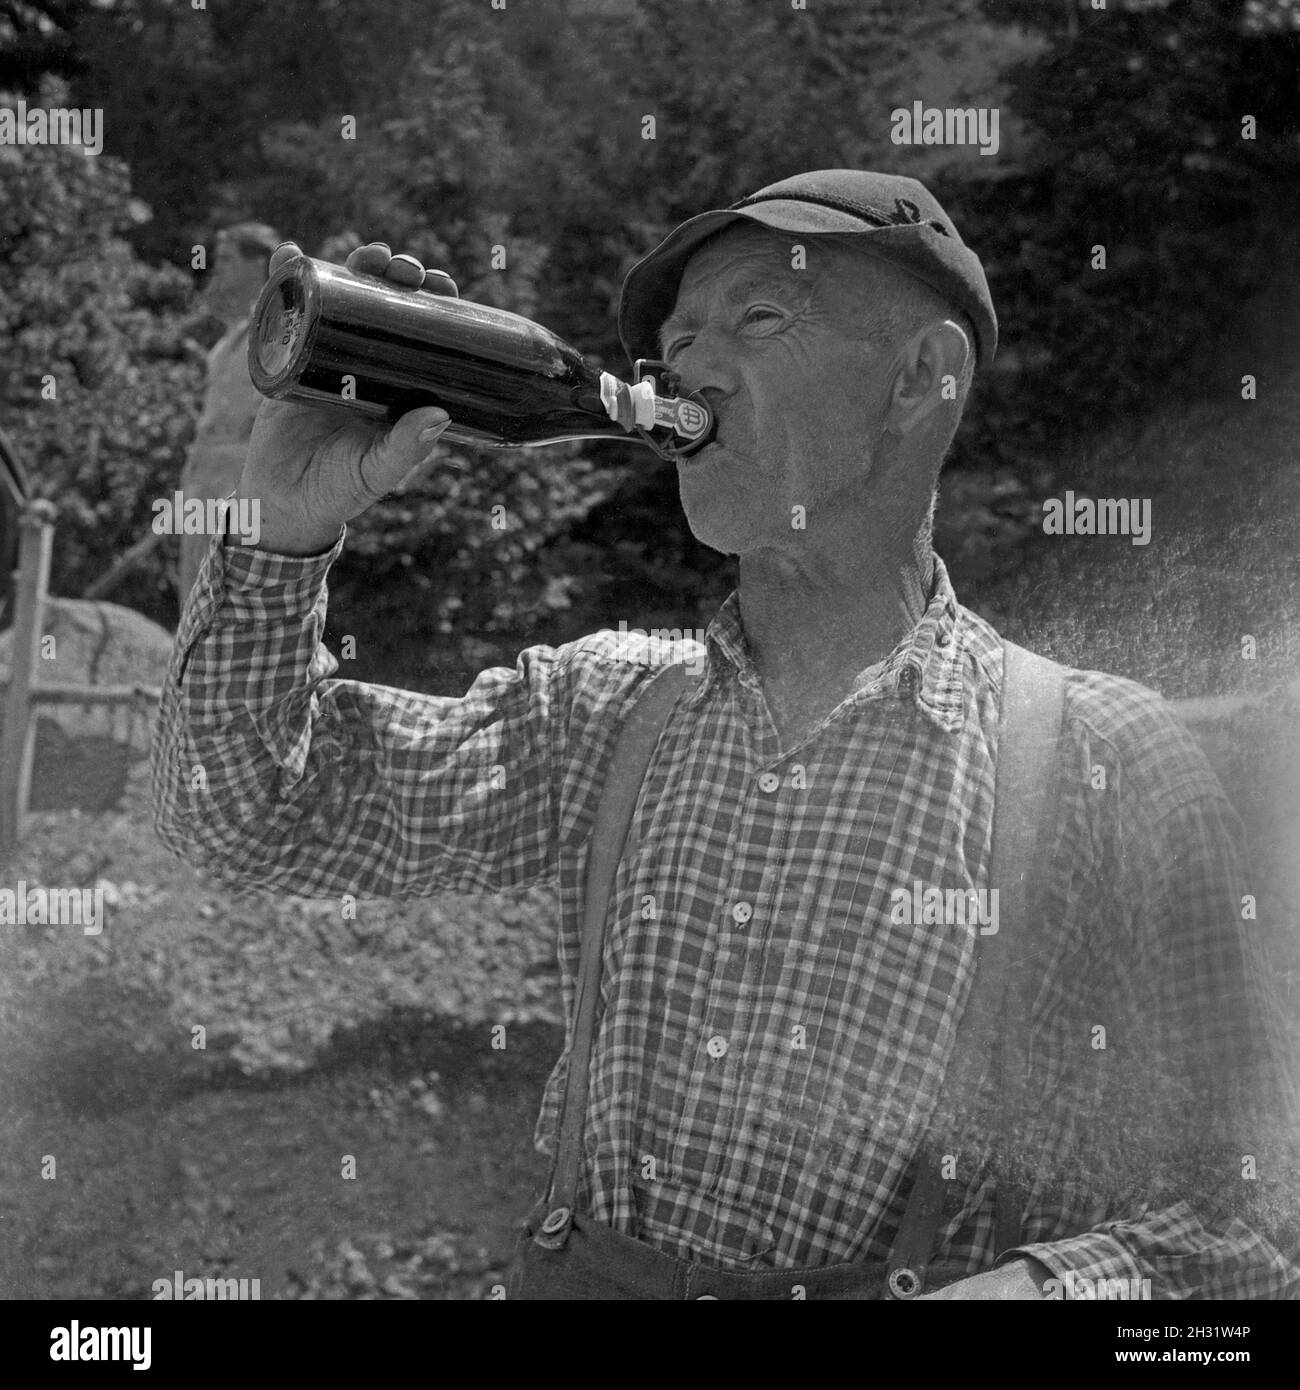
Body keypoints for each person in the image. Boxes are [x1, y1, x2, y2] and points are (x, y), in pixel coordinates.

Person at [150, 171, 1298, 1299]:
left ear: (919, 378)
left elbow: (1231, 1227)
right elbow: (241, 817)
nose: (688, 368)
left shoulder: (1105, 758)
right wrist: (282, 534)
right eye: (678, 342)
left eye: (757, 316)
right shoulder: (604, 709)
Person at [176, 220, 280, 604]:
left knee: (233, 596)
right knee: (194, 598)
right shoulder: (227, 339)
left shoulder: (275, 326)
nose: (218, 267)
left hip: (242, 483)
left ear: (258, 265)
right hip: (203, 480)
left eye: (228, 259)